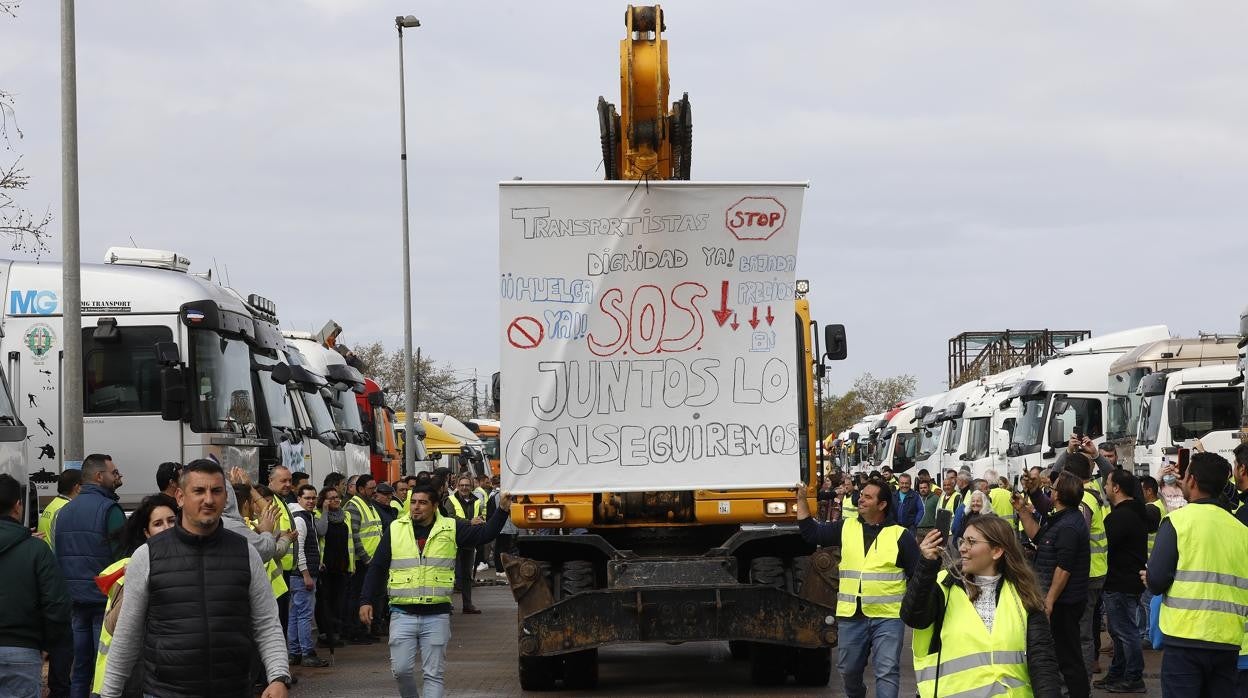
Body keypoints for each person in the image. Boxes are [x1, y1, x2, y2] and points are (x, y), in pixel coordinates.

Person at [98, 459, 291, 698]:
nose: (208, 499)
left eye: (216, 491)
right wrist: (109, 694)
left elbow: (266, 623)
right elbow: (127, 636)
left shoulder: (246, 553)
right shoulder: (147, 557)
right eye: (199, 491)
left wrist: (279, 677)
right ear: (180, 497)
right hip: (165, 693)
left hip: (233, 689)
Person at [359, 483, 513, 698]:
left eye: (422, 503)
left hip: (436, 615)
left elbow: (484, 534)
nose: (416, 507)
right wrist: (365, 600)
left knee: (433, 674)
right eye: (413, 502)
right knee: (401, 670)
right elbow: (377, 567)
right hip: (403, 614)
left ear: (434, 506)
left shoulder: (450, 527)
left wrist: (503, 509)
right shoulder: (395, 529)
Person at [903, 516, 1061, 698]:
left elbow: (1043, 662)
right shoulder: (943, 585)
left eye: (971, 542)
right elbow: (913, 616)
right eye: (963, 540)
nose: (962, 547)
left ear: (997, 551)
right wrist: (927, 565)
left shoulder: (1023, 594)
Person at [795, 479, 919, 698]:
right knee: (848, 671)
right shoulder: (846, 527)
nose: (860, 499)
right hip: (852, 616)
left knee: (887, 671)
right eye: (861, 494)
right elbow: (811, 534)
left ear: (882, 505)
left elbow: (917, 576)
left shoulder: (901, 536)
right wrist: (801, 499)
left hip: (888, 618)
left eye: (868, 497)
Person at [1146, 452, 1248, 697]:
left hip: (1185, 640)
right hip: (1228, 642)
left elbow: (1156, 581)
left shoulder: (1177, 522)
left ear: (1191, 480)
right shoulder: (1241, 530)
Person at [90, 494, 179, 697]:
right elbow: (112, 626)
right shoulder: (133, 567)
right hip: (128, 680)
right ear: (147, 532)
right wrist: (134, 584)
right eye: (158, 523)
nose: (167, 528)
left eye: (172, 521)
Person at [54, 453, 124, 698]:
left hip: (74, 601)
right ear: (98, 476)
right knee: (104, 670)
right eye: (113, 473)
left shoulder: (63, 511)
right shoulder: (109, 510)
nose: (117, 477)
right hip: (102, 602)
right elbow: (121, 559)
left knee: (81, 669)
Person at [1016, 470, 1091, 698]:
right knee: (1062, 653)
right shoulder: (1060, 519)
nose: (1051, 489)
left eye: (1054, 487)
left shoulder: (1068, 526)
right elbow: (1040, 538)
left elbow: (1064, 568)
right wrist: (1021, 510)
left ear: (1059, 495)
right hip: (1059, 601)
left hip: (1064, 603)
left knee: (1068, 657)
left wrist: (1049, 601)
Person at [0, 473, 71, 697]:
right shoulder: (36, 550)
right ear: (18, 506)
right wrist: (47, 645)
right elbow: (56, 604)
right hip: (23, 649)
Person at [1096, 469, 1148, 693]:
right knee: (1119, 633)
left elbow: (1106, 548)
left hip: (1121, 582)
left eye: (1107, 484)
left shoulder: (1119, 517)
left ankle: (1134, 677)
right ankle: (1118, 673)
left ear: (1116, 488)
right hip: (1127, 580)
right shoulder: (1135, 511)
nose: (1105, 488)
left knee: (1125, 632)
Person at [1063, 452, 1108, 681]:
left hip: (1088, 574)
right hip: (1094, 571)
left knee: (1082, 631)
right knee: (1085, 627)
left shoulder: (1084, 500)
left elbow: (1077, 536)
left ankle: (1083, 681)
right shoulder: (1092, 493)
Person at [287, 483, 329, 667]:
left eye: (314, 498)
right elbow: (299, 549)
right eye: (307, 498)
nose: (311, 501)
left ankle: (295, 652)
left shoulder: (307, 517)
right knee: (304, 614)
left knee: (296, 613)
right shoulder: (301, 520)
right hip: (303, 575)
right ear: (299, 499)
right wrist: (305, 574)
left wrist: (317, 562)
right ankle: (307, 653)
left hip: (304, 573)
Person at [345, 474, 382, 641]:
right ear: (360, 489)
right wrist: (366, 558)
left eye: (375, 488)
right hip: (362, 562)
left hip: (372, 561)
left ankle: (365, 630)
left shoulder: (369, 504)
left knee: (368, 597)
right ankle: (357, 632)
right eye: (371, 488)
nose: (374, 491)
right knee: (358, 598)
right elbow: (354, 535)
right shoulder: (354, 506)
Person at [316, 486, 351, 650]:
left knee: (339, 602)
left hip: (342, 565)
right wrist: (324, 511)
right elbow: (321, 531)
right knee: (325, 602)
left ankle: (336, 632)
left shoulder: (345, 516)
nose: (335, 500)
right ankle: (325, 634)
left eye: (337, 497)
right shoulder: (317, 515)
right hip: (326, 567)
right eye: (331, 498)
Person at [447, 474, 485, 614]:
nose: (464, 488)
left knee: (467, 575)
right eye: (462, 485)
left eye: (467, 485)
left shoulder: (476, 501)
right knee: (449, 574)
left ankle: (467, 605)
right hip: (453, 541)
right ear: (457, 486)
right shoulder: (450, 500)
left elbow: (479, 517)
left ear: (471, 487)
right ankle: (447, 605)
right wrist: (469, 522)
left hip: (469, 542)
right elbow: (449, 518)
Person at [39, 468, 82, 547]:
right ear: (77, 487)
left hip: (47, 555)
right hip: (56, 557)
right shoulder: (68, 509)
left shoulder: (54, 504)